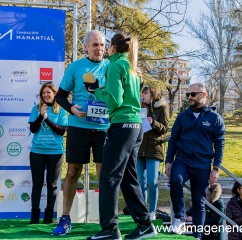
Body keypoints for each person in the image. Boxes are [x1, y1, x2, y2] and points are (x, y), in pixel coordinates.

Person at [85, 33, 157, 240]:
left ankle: (109, 229)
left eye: (106, 46)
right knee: (128, 178)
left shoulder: (115, 66)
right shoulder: (132, 67)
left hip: (122, 126)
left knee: (108, 177)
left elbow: (114, 101)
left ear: (112, 48)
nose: (105, 49)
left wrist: (95, 90)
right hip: (135, 127)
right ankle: (145, 224)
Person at [52, 30, 110, 235]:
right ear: (85, 47)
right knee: (73, 171)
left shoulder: (111, 67)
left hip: (104, 129)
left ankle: (107, 221)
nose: (99, 49)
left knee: (104, 175)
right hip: (79, 127)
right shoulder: (76, 67)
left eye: (102, 45)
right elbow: (59, 97)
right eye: (95, 45)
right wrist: (71, 109)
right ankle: (65, 218)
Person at [165, 82, 225, 239]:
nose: (189, 97)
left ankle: (197, 235)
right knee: (175, 180)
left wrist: (216, 168)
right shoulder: (182, 116)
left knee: (199, 202)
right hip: (182, 160)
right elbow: (173, 139)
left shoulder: (215, 118)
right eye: (187, 95)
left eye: (192, 94)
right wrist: (168, 161)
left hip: (202, 164)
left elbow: (220, 144)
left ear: (203, 95)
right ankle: (179, 217)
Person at [29, 82, 68, 224]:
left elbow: (61, 131)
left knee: (52, 184)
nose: (46, 95)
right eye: (43, 93)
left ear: (54, 94)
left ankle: (48, 216)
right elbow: (33, 129)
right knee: (37, 183)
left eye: (48, 92)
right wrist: (41, 115)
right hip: (37, 151)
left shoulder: (62, 111)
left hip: (55, 152)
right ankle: (34, 217)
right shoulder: (36, 108)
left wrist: (47, 118)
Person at [136, 86, 169, 220]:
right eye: (142, 93)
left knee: (152, 181)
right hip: (139, 148)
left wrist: (153, 122)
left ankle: (152, 211)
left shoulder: (162, 108)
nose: (143, 95)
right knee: (140, 181)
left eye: (146, 93)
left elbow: (164, 128)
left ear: (153, 95)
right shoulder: (139, 106)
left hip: (154, 149)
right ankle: (142, 210)